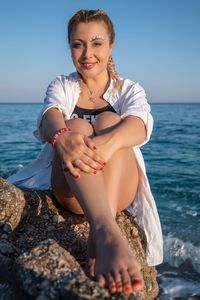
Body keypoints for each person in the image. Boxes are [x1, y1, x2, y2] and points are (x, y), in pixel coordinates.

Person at [8, 9, 163, 294]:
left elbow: (140, 127)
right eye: (78, 44)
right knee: (75, 125)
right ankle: (105, 230)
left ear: (111, 45)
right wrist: (62, 136)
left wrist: (109, 141)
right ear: (70, 48)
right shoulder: (63, 85)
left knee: (111, 121)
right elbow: (50, 116)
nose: (87, 53)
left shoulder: (128, 89)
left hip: (118, 190)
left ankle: (101, 230)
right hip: (71, 191)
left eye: (97, 42)